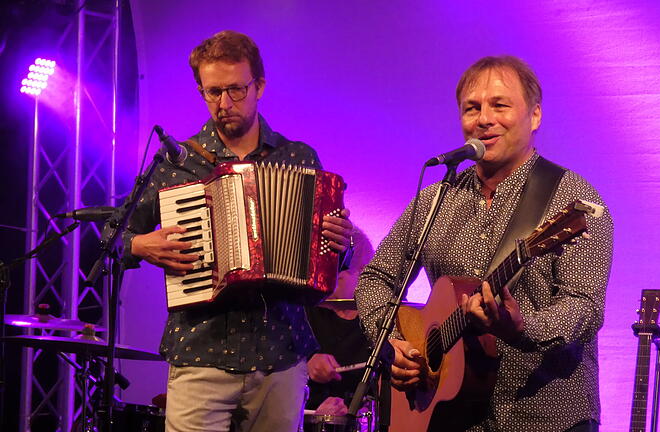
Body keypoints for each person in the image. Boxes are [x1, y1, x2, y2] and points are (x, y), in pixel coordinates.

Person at [355, 55, 613, 432]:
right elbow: (376, 278)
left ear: (535, 116)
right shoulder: (434, 201)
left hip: (546, 416)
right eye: (471, 108)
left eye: (500, 105)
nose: (484, 119)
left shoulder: (571, 199)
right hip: (449, 417)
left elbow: (584, 307)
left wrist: (520, 328)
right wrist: (396, 344)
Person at [122, 30, 353, 432]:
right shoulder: (177, 162)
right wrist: (141, 244)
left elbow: (331, 259)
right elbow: (116, 238)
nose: (224, 104)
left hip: (281, 356)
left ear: (258, 86)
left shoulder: (298, 157)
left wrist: (340, 242)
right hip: (200, 352)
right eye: (212, 92)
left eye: (235, 90)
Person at [304, 226, 375, 417]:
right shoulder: (306, 310)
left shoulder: (378, 319)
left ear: (363, 273)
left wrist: (355, 411)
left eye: (336, 277)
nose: (323, 285)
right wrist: (306, 365)